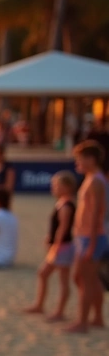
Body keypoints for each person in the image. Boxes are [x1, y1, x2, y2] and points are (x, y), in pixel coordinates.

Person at [23, 172, 77, 320]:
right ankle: (40, 305)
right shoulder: (63, 203)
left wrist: (56, 245)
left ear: (66, 187)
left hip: (63, 247)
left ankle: (59, 311)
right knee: (44, 274)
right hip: (61, 246)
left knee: (61, 278)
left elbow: (64, 228)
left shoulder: (66, 205)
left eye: (56, 185)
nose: (53, 188)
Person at [66, 141, 107, 333]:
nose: (77, 164)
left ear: (91, 159)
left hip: (91, 237)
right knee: (88, 278)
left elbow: (97, 213)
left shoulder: (96, 181)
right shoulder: (93, 178)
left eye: (79, 159)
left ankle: (82, 322)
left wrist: (90, 243)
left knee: (85, 279)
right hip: (87, 236)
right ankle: (97, 317)